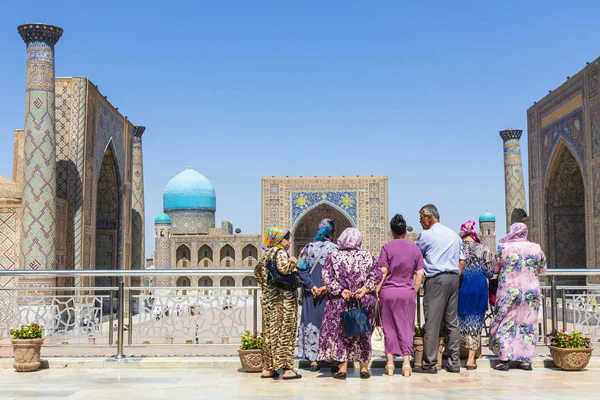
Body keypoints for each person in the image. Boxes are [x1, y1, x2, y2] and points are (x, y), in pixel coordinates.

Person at [317, 227, 382, 380]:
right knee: (362, 333)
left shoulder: (333, 257)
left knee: (341, 334)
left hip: (340, 302)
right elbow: (377, 274)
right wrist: (365, 289)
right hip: (362, 301)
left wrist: (341, 291)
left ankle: (343, 370)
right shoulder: (368, 256)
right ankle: (364, 369)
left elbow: (327, 277)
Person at [414, 204, 465, 374]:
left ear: (429, 217)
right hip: (453, 278)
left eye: (421, 218)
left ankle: (429, 364)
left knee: (433, 323)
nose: (421, 222)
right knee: (452, 322)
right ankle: (454, 363)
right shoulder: (453, 235)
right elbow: (462, 261)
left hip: (436, 280)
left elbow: (416, 257)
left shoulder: (427, 235)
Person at [489, 222, 546, 371]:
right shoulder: (536, 248)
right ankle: (525, 361)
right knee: (527, 323)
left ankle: (504, 359)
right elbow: (542, 268)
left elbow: (495, 268)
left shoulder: (503, 247)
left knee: (505, 322)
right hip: (530, 292)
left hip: (508, 290)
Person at [375, 214, 425, 377]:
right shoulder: (414, 249)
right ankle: (406, 364)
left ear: (392, 231)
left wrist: (377, 289)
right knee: (406, 326)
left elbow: (383, 271)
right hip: (406, 293)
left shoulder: (387, 248)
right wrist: (414, 289)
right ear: (405, 230)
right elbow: (420, 273)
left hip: (388, 293)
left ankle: (389, 364)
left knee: (389, 328)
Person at [254, 227, 302, 380]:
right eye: (286, 239)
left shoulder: (267, 254)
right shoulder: (280, 252)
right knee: (285, 334)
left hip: (269, 302)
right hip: (283, 303)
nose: (288, 242)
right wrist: (294, 263)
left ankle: (268, 369)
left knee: (270, 334)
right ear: (278, 239)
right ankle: (287, 369)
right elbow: (284, 268)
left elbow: (258, 274)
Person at [297, 219, 339, 372]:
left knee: (312, 321)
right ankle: (333, 359)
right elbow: (339, 274)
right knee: (330, 324)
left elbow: (301, 270)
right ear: (331, 231)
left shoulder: (306, 248)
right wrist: (325, 287)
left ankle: (313, 360)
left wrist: (312, 286)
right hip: (329, 294)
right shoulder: (336, 249)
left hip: (311, 294)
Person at [457, 220, 493, 370]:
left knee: (458, 321)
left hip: (460, 287)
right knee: (475, 322)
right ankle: (471, 359)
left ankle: (456, 356)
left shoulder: (456, 248)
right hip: (478, 289)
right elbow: (489, 273)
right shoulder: (484, 248)